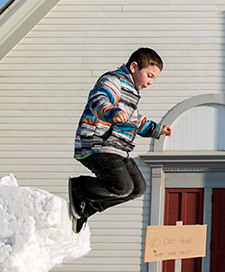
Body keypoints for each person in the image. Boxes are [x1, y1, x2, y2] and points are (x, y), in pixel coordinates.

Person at [67, 47, 172, 233]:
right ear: (134, 67)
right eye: (149, 75)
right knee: (122, 186)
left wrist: (157, 130)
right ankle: (80, 187)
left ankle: (88, 207)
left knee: (138, 188)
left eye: (154, 78)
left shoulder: (131, 94)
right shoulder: (114, 81)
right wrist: (111, 111)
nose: (150, 82)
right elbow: (98, 98)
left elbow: (136, 121)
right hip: (98, 144)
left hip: (118, 148)